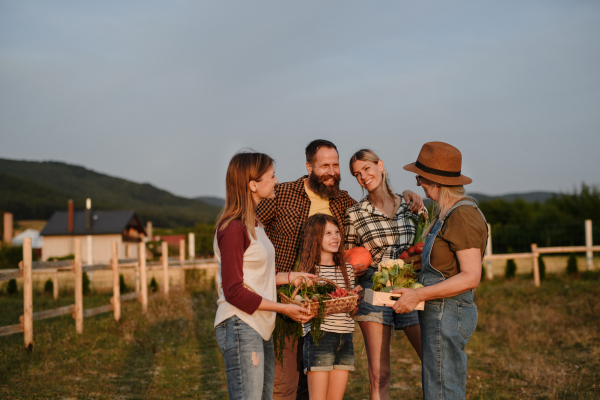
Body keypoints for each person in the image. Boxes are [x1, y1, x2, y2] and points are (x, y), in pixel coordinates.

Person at [256, 139, 422, 400]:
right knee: (285, 383)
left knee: (318, 375)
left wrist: (409, 194)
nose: (332, 171)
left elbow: (378, 202)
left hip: (329, 307)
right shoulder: (284, 193)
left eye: (336, 165)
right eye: (324, 166)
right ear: (309, 166)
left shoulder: (343, 202)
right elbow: (249, 220)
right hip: (289, 299)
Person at [214, 151, 317, 400]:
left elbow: (255, 278)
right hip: (241, 324)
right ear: (253, 184)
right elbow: (234, 290)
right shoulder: (233, 228)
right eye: (271, 176)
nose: (277, 181)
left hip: (260, 324)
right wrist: (284, 309)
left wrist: (289, 277)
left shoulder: (255, 224)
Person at [390, 141, 488, 400]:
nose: (418, 183)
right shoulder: (445, 213)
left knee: (443, 389)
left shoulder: (463, 215)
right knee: (437, 385)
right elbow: (445, 266)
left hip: (448, 311)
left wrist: (418, 295)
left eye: (420, 177)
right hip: (439, 311)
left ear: (435, 180)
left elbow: (471, 276)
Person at [344, 149, 424, 400]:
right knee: (380, 374)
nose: (363, 176)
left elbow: (425, 244)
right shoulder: (355, 214)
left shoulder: (411, 205)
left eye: (367, 168)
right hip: (373, 285)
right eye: (357, 174)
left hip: (408, 282)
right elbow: (348, 258)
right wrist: (351, 278)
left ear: (380, 165)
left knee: (432, 360)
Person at [297, 214, 361, 400]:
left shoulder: (346, 269)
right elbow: (304, 307)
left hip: (345, 338)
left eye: (337, 232)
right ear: (315, 238)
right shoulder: (308, 273)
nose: (335, 237)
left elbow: (351, 311)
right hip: (320, 338)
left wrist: (355, 298)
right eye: (328, 233)